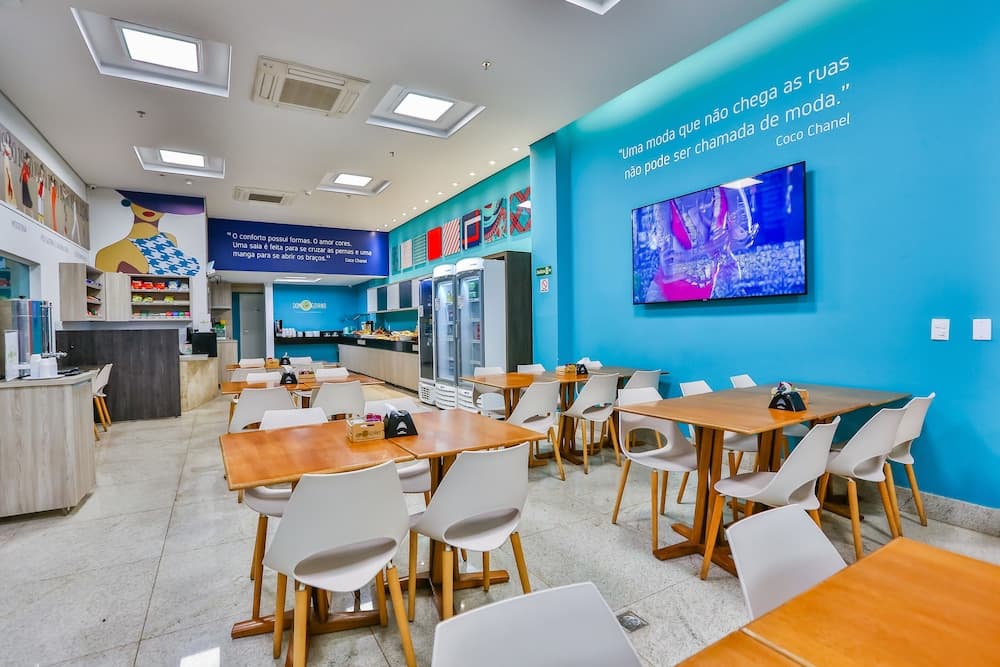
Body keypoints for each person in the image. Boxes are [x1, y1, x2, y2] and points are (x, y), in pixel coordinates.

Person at [643, 184, 758, 302]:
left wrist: (725, 251)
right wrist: (712, 247)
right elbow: (672, 263)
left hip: (707, 292)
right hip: (666, 296)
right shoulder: (664, 200)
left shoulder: (727, 186)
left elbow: (743, 238)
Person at [95, 190, 202, 275]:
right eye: (142, 203)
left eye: (157, 206)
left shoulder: (170, 239)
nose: (149, 209)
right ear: (130, 203)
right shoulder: (108, 253)